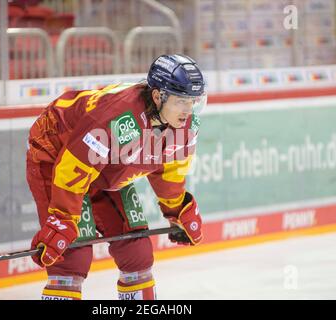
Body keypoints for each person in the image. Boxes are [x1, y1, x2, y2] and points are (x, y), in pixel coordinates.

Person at [26, 54, 206, 300]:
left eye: (193, 101)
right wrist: (63, 219)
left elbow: (169, 168)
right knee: (71, 258)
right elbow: (73, 166)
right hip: (57, 156)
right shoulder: (118, 117)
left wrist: (177, 207)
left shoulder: (183, 123)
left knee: (137, 253)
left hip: (105, 166)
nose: (188, 111)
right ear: (157, 96)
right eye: (181, 101)